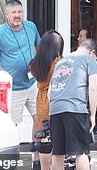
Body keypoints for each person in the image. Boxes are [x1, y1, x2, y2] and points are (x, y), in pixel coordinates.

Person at [0, 0, 41, 167]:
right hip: (13, 89)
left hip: (32, 85)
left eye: (20, 12)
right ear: (7, 14)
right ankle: (10, 162)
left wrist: (38, 68)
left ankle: (36, 160)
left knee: (40, 120)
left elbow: (39, 47)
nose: (18, 15)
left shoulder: (30, 27)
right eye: (14, 12)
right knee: (11, 127)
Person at [48, 38, 97, 170]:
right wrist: (93, 115)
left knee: (58, 152)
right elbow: (93, 88)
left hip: (55, 108)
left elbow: (50, 91)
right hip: (75, 108)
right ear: (92, 53)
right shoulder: (89, 60)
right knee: (81, 151)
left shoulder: (62, 61)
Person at [29, 30, 64, 170]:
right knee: (55, 138)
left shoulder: (35, 62)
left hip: (40, 99)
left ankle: (42, 166)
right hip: (53, 99)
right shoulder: (57, 62)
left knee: (44, 136)